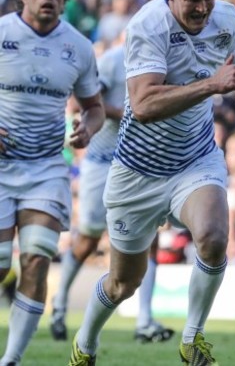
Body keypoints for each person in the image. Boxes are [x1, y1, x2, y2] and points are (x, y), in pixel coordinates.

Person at [67, 0, 235, 365]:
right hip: (138, 170)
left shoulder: (226, 18)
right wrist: (209, 85)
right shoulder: (148, 25)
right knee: (122, 283)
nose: (203, 8)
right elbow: (144, 105)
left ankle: (192, 339)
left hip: (194, 159)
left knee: (215, 238)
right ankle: (85, 343)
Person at [0, 0, 105, 366]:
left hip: (45, 168)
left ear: (64, 0)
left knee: (38, 257)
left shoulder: (78, 47)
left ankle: (11, 360)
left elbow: (94, 106)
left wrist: (89, 126)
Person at [50, 43, 173, 344]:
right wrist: (134, 113)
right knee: (88, 240)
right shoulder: (112, 61)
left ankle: (144, 319)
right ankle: (59, 304)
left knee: (150, 238)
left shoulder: (165, 62)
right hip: (102, 161)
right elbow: (87, 102)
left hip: (140, 163)